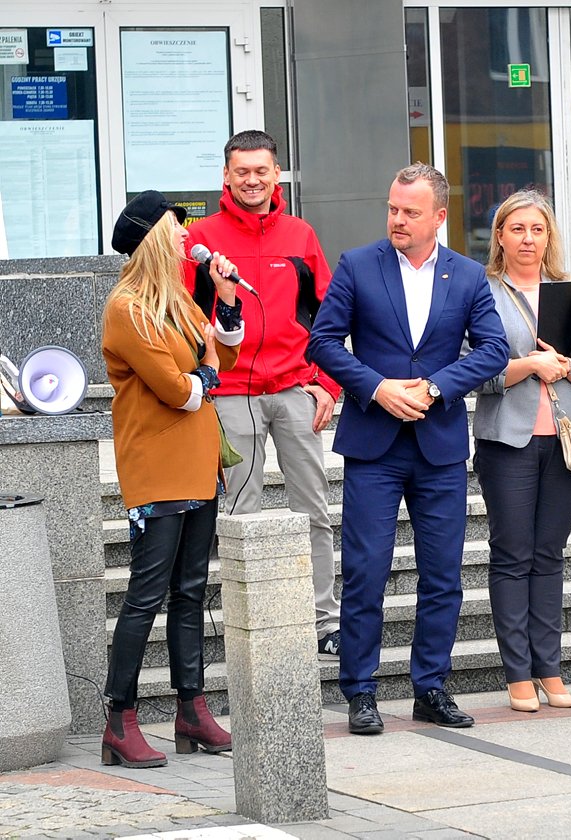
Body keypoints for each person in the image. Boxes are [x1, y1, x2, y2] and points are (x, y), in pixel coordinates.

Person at [307, 163, 508, 734]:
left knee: (442, 574)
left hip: (438, 445)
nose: (397, 219)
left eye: (410, 212)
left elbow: (493, 349)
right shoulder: (357, 265)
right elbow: (322, 341)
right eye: (393, 208)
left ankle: (431, 687)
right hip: (374, 445)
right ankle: (360, 691)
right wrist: (376, 387)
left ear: (438, 216)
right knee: (366, 571)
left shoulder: (467, 275)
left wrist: (437, 386)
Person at [186, 130, 342, 660]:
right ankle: (247, 627)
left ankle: (323, 622)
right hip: (230, 394)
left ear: (277, 174)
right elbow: (182, 315)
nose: (252, 180)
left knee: (313, 510)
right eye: (242, 172)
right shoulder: (201, 239)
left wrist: (326, 383)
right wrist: (203, 381)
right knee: (239, 513)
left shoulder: (300, 235)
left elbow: (329, 316)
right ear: (226, 176)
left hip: (295, 388)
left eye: (261, 171)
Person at [101, 190, 243, 767]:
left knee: (190, 591)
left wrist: (225, 302)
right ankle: (120, 719)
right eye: (176, 225)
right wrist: (205, 370)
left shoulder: (177, 298)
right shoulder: (128, 308)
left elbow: (223, 359)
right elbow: (180, 391)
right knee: (145, 596)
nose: (187, 233)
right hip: (157, 468)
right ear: (154, 237)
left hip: (199, 463)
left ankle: (192, 710)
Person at [472, 190, 571, 713]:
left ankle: (550, 669)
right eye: (517, 229)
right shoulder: (482, 293)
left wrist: (568, 366)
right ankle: (518, 675)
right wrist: (530, 365)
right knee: (513, 555)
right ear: (500, 236)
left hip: (566, 439)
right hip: (507, 439)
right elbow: (472, 370)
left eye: (537, 229)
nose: (528, 239)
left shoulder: (567, 290)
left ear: (549, 236)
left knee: (549, 555)